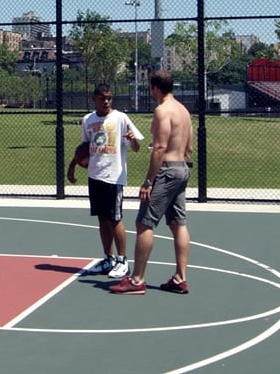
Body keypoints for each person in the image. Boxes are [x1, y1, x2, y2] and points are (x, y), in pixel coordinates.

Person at [110, 70, 193, 295]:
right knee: (178, 223)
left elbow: (159, 148)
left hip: (167, 171)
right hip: (182, 168)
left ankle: (137, 280)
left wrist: (148, 181)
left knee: (144, 223)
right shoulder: (183, 110)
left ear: (154, 87)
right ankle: (180, 278)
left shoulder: (162, 111)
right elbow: (189, 144)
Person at [68, 83, 143, 279]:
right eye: (103, 98)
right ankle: (108, 258)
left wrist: (133, 139)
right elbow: (84, 148)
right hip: (95, 175)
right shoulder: (88, 120)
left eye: (109, 97)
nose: (107, 101)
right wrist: (72, 165)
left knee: (115, 218)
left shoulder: (120, 118)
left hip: (114, 176)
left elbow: (136, 148)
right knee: (102, 218)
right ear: (94, 99)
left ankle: (122, 260)